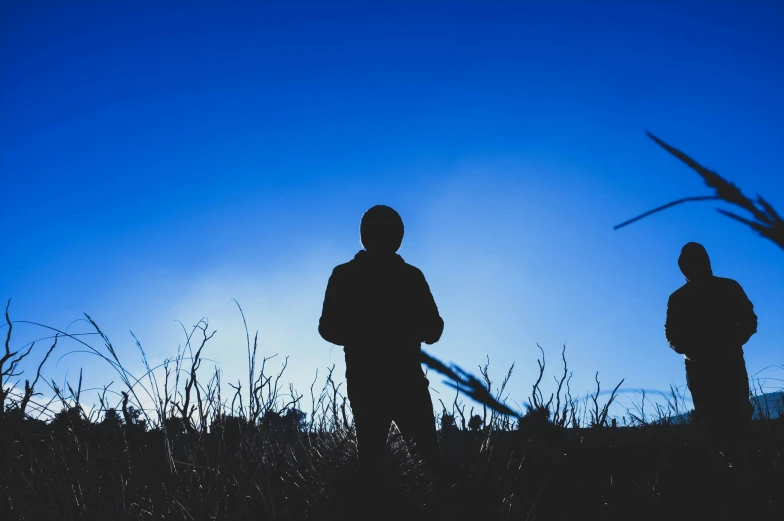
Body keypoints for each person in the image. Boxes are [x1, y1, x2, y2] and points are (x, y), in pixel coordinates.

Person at [318, 204, 444, 480]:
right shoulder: (407, 277)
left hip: (383, 382)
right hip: (388, 382)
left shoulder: (352, 275)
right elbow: (328, 328)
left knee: (391, 464)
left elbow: (433, 329)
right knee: (421, 464)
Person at [664, 242, 757, 466]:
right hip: (699, 367)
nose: (690, 267)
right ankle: (727, 466)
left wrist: (731, 342)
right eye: (686, 263)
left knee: (738, 414)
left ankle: (742, 466)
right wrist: (691, 349)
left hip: (729, 362)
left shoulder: (728, 288)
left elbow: (749, 320)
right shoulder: (677, 298)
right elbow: (671, 335)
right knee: (710, 419)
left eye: (695, 261)